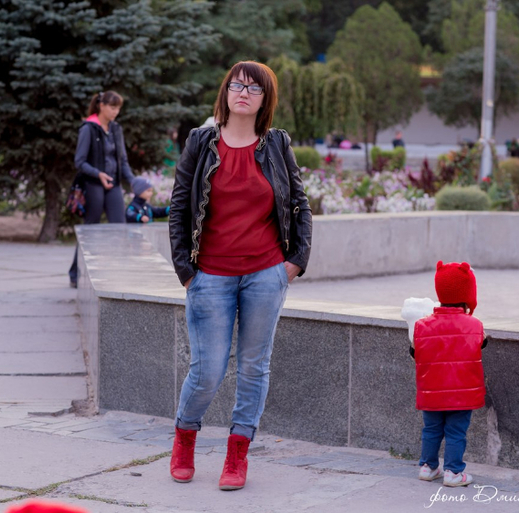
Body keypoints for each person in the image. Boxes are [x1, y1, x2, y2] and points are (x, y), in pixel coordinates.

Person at [168, 61, 312, 491]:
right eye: (237, 85)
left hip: (265, 275)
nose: (243, 92)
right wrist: (186, 271)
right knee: (207, 371)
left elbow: (300, 204)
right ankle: (184, 439)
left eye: (254, 88)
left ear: (265, 99)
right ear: (226, 92)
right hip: (209, 275)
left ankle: (237, 453)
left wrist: (295, 262)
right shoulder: (200, 142)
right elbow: (179, 206)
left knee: (253, 368)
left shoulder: (277, 144)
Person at [411, 261, 488, 487]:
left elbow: (415, 352)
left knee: (431, 429)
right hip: (461, 395)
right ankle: (453, 472)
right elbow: (480, 344)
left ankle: (428, 467)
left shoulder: (422, 325)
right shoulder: (474, 325)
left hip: (432, 392)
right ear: (467, 295)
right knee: (455, 432)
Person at [68, 91, 136, 288]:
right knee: (91, 228)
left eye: (118, 108)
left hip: (113, 184)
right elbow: (79, 162)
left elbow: (123, 160)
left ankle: (116, 271)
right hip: (93, 184)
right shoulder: (88, 128)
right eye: (113, 107)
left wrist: (134, 182)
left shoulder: (116, 129)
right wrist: (98, 174)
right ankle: (75, 273)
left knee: (119, 226)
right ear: (101, 106)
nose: (116, 112)